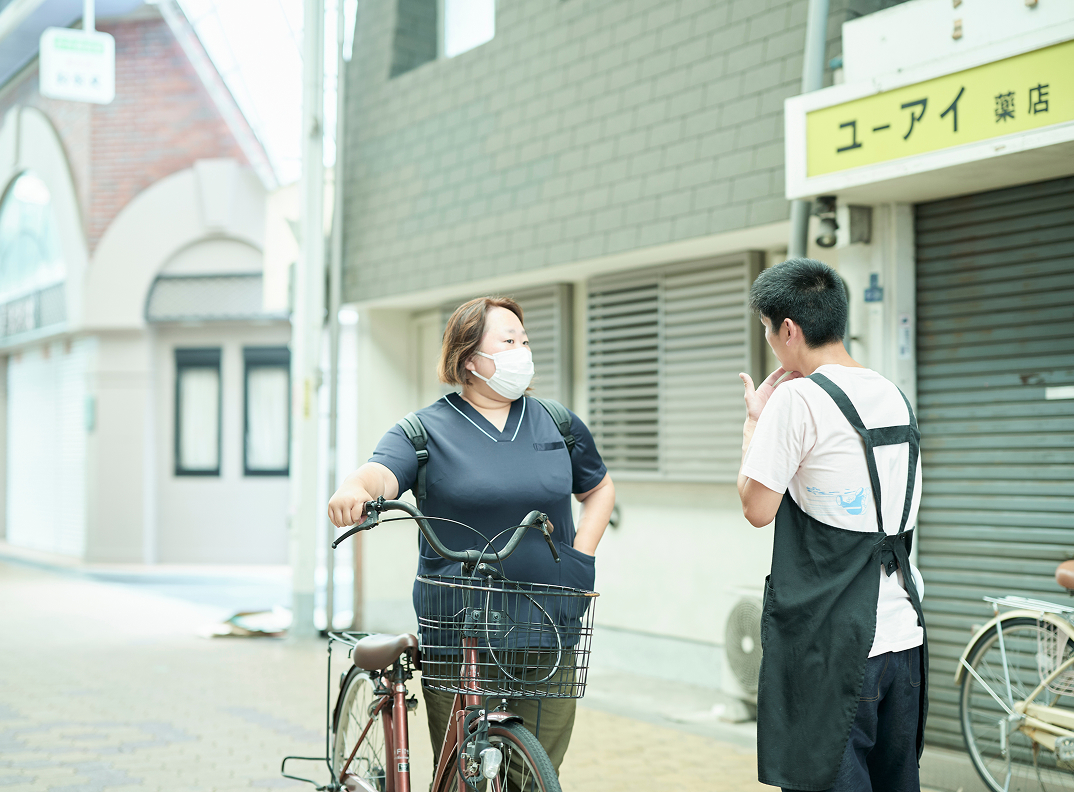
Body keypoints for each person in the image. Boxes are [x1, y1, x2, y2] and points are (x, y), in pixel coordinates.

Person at [327, 295, 615, 777]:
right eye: (508, 341)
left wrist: (578, 558)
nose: (522, 350)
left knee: (536, 772)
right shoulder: (424, 431)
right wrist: (353, 488)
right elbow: (381, 474)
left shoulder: (557, 423)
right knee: (466, 773)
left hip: (549, 616)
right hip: (459, 624)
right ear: (469, 359)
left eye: (524, 340)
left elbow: (599, 487)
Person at [736, 258, 927, 792]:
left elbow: (756, 507)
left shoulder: (797, 400)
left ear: (789, 330)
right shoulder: (892, 393)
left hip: (832, 645)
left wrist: (755, 422)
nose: (772, 344)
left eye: (769, 332)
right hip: (903, 636)